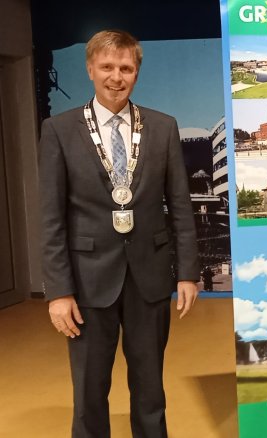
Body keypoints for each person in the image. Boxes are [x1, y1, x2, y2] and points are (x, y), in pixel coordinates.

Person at [40, 29, 200, 437]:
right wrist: (58, 292)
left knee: (150, 388)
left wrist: (187, 272)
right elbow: (52, 217)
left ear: (136, 72)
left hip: (149, 276)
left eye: (125, 68)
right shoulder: (59, 130)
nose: (116, 77)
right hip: (87, 280)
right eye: (107, 67)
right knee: (90, 392)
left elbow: (180, 205)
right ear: (90, 68)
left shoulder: (163, 127)